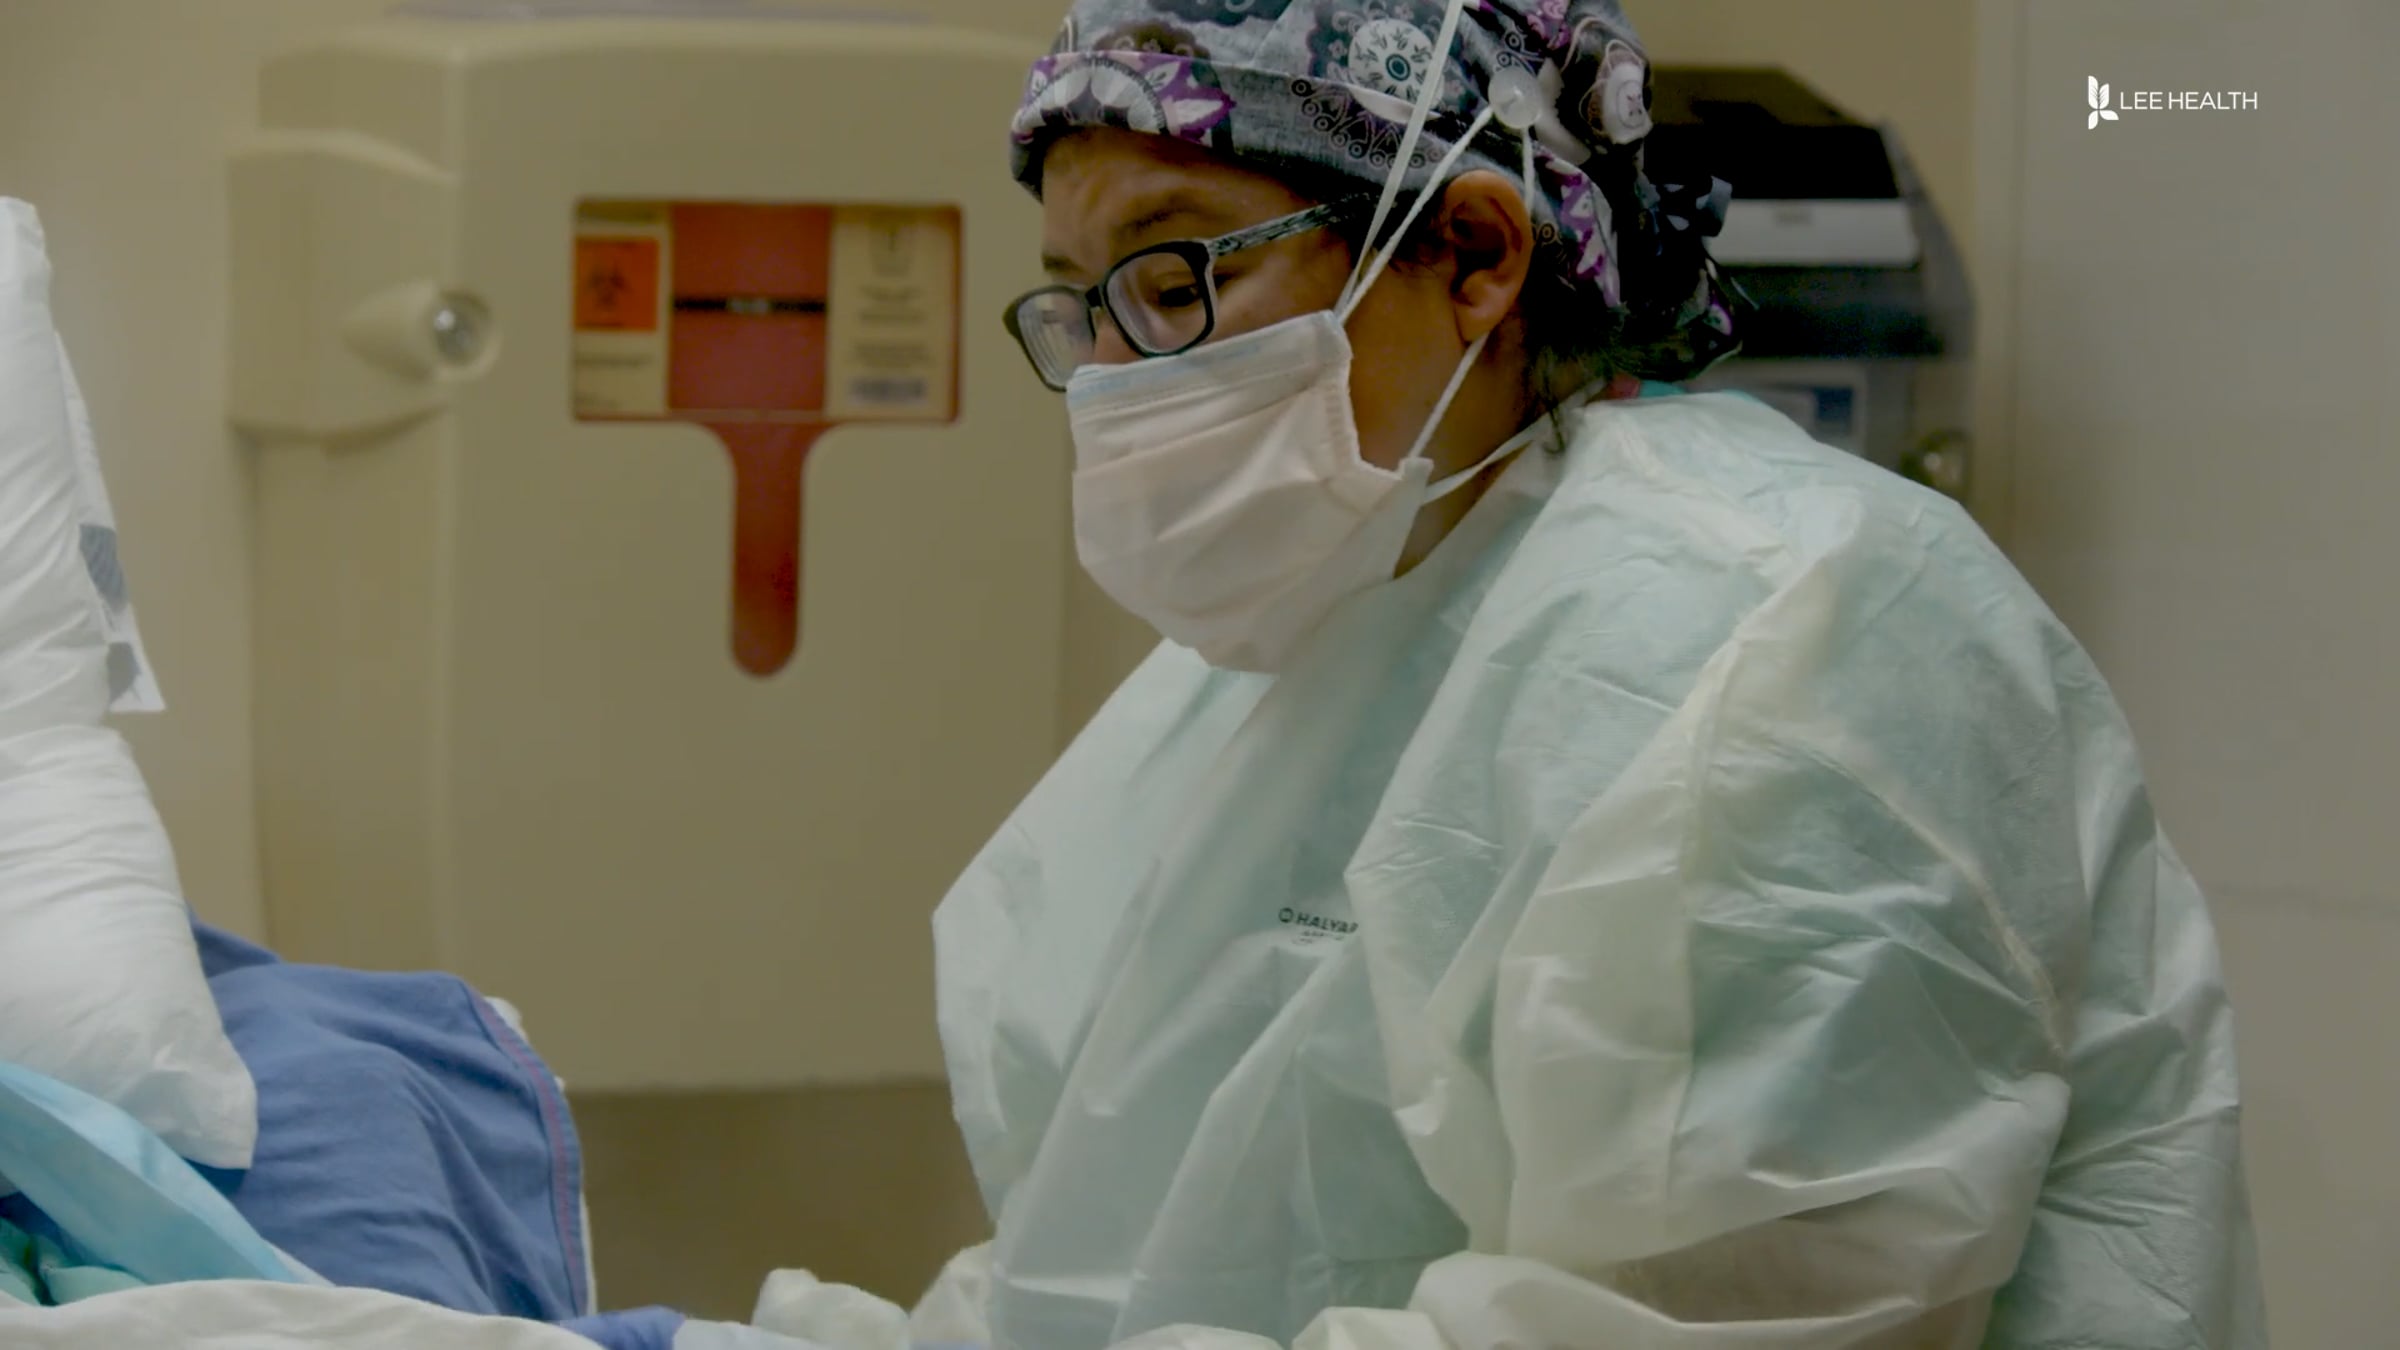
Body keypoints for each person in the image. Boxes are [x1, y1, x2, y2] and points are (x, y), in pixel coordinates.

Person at [910, 2, 2269, 1347]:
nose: (1111, 380)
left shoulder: (1781, 633)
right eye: (1081, 305)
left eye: (1171, 284)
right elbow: (1092, 1261)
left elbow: (1720, 1311)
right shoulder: (1284, 654)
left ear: (1473, 253)